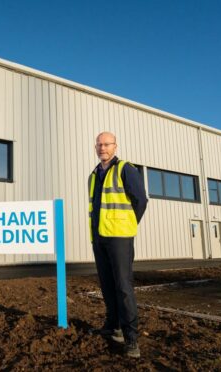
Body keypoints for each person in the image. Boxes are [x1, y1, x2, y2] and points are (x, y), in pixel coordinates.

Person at [88, 131, 148, 358]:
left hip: (120, 237)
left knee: (123, 286)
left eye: (107, 144)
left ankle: (131, 338)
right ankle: (113, 326)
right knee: (106, 283)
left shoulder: (125, 169)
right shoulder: (93, 175)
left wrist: (128, 224)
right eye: (99, 144)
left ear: (115, 146)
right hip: (99, 237)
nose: (102, 147)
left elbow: (140, 200)